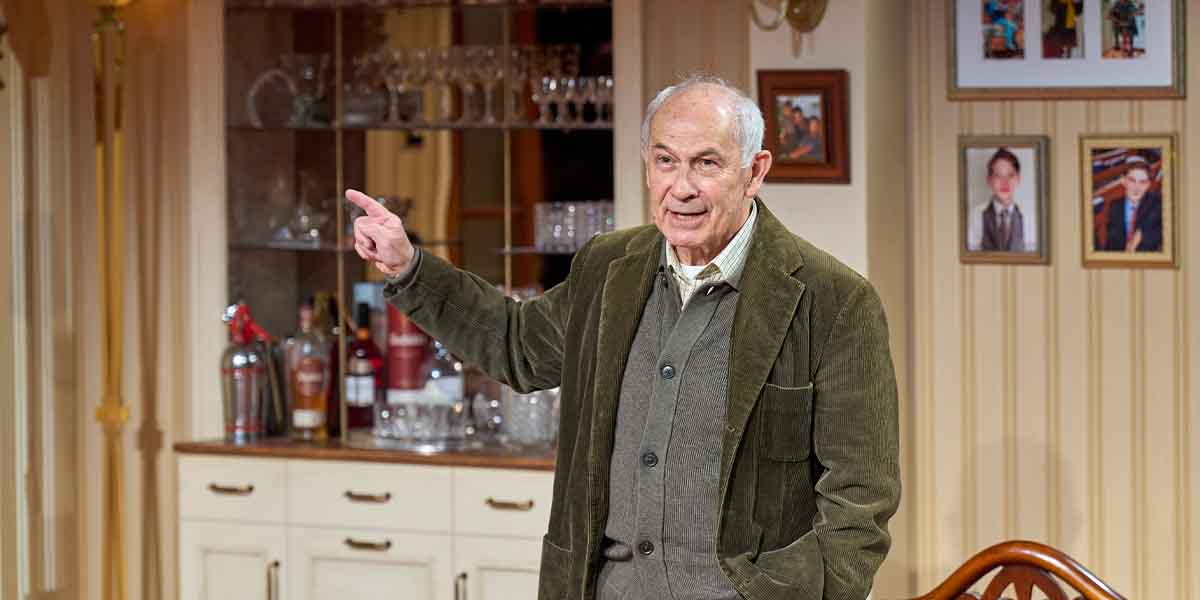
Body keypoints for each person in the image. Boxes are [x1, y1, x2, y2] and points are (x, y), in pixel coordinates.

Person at [348, 75, 900, 600]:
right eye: (666, 161)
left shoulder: (833, 301)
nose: (682, 188)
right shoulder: (608, 269)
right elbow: (517, 346)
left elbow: (860, 499)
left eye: (707, 163)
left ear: (754, 172)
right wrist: (409, 267)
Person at [966, 148, 1033, 252]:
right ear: (989, 180)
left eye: (1010, 175)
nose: (1004, 182)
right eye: (998, 176)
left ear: (1018, 179)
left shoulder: (1029, 215)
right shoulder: (976, 214)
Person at [1101, 155, 1162, 252]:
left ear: (1148, 185)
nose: (1136, 188)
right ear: (1123, 181)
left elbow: (1156, 234)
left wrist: (1140, 235)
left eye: (1143, 182)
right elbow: (1111, 242)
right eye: (1132, 180)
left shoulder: (1156, 204)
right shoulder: (1115, 206)